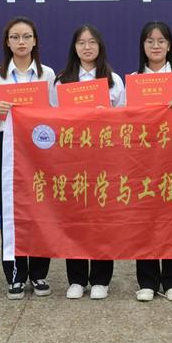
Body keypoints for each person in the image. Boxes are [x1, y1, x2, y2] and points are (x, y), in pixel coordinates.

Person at [0, 17, 56, 301]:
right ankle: (15, 275)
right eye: (15, 37)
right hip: (9, 147)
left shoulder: (47, 74)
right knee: (11, 210)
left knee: (41, 209)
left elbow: (57, 111)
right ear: (7, 42)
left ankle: (39, 273)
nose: (21, 42)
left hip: (40, 148)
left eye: (26, 36)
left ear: (35, 41)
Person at [54, 24, 126, 300]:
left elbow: (125, 118)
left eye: (92, 42)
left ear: (100, 46)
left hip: (104, 159)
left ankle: (100, 278)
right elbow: (52, 119)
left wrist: (106, 115)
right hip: (72, 160)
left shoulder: (113, 80)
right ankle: (76, 278)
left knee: (102, 220)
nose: (87, 47)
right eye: (82, 42)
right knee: (74, 218)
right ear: (74, 47)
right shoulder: (62, 81)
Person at [133, 21, 172, 302]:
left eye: (161, 41)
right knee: (145, 219)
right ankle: (146, 281)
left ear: (169, 46)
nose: (155, 46)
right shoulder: (134, 79)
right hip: (143, 160)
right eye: (150, 41)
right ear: (143, 46)